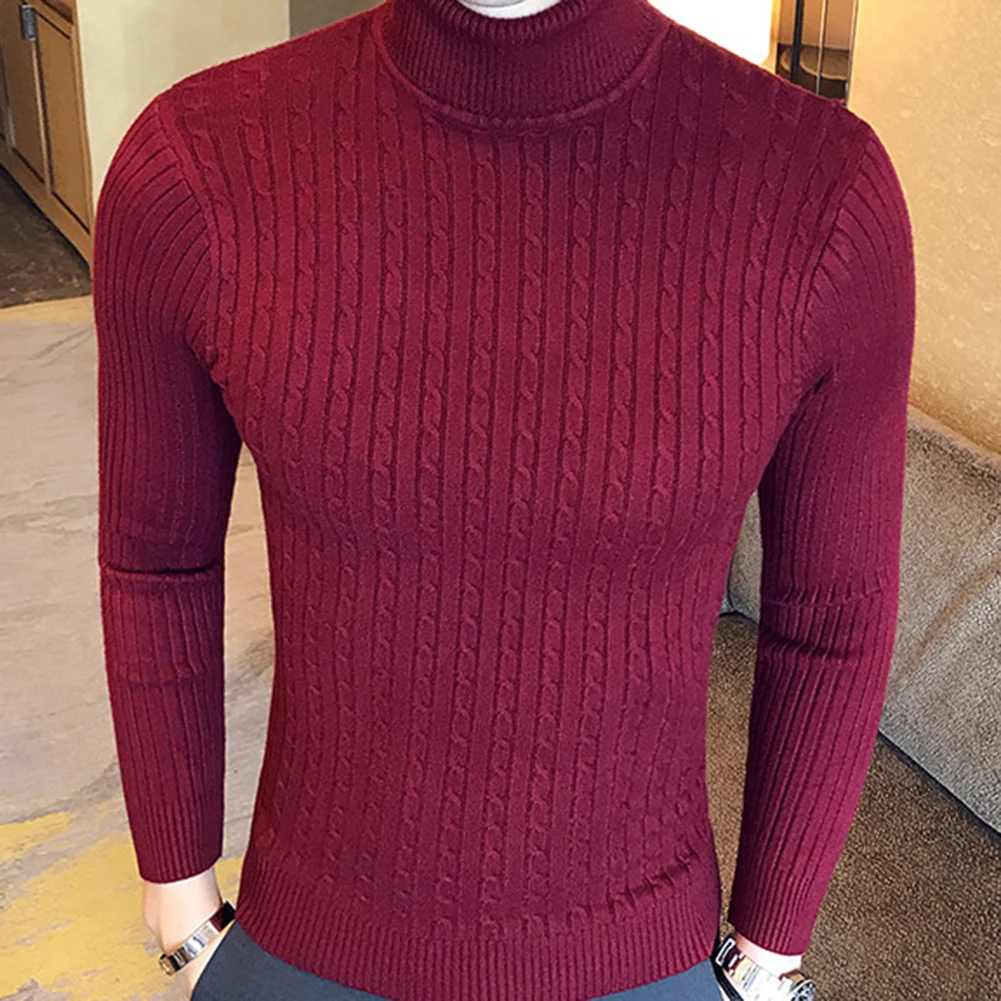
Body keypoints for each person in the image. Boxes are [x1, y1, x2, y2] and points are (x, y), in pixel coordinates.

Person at [91, 0, 915, 996]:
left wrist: (768, 953)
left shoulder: (818, 192)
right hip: (301, 943)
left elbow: (831, 615)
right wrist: (180, 909)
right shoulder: (196, 169)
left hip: (644, 957)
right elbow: (157, 560)